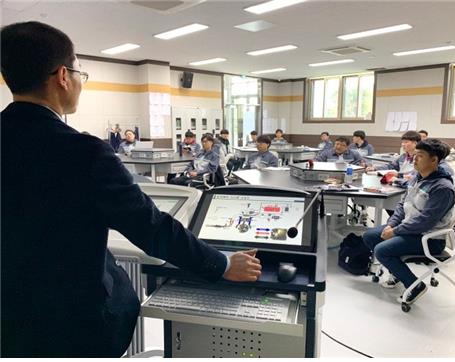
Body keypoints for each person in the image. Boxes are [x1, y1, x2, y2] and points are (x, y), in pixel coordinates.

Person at [1, 21, 261, 357]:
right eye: (80, 71)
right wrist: (222, 264)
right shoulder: (84, 152)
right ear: (63, 76)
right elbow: (152, 227)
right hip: (73, 327)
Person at [362, 139, 455, 305]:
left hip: (429, 238)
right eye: (414, 155)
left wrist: (396, 231)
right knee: (370, 236)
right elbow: (402, 206)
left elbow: (425, 221)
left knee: (381, 250)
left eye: (420, 156)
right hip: (410, 229)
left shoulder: (443, 187)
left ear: (434, 160)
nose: (414, 159)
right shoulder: (417, 178)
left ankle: (415, 285)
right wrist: (391, 224)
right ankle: (398, 273)